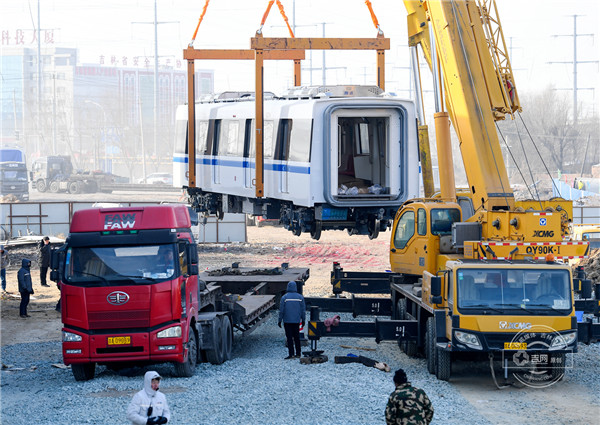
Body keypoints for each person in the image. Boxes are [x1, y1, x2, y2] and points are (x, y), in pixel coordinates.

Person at [278, 281, 305, 359]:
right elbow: (303, 310)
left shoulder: (284, 298)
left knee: (289, 338)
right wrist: (303, 320)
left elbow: (281, 310)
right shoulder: (300, 297)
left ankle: (291, 354)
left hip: (287, 321)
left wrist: (280, 320)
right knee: (297, 338)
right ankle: (298, 353)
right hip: (296, 321)